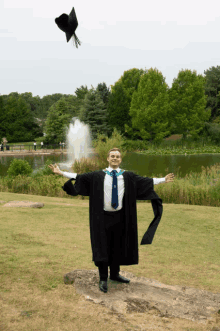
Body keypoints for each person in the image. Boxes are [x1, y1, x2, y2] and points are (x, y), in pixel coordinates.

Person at [48, 148, 175, 293]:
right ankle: (103, 278)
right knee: (102, 246)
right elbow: (79, 176)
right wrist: (61, 173)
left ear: (120, 160)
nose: (115, 158)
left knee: (118, 246)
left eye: (117, 156)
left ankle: (114, 274)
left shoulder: (128, 176)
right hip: (101, 218)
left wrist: (163, 180)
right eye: (112, 156)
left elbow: (146, 181)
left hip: (121, 217)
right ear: (108, 159)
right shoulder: (97, 175)